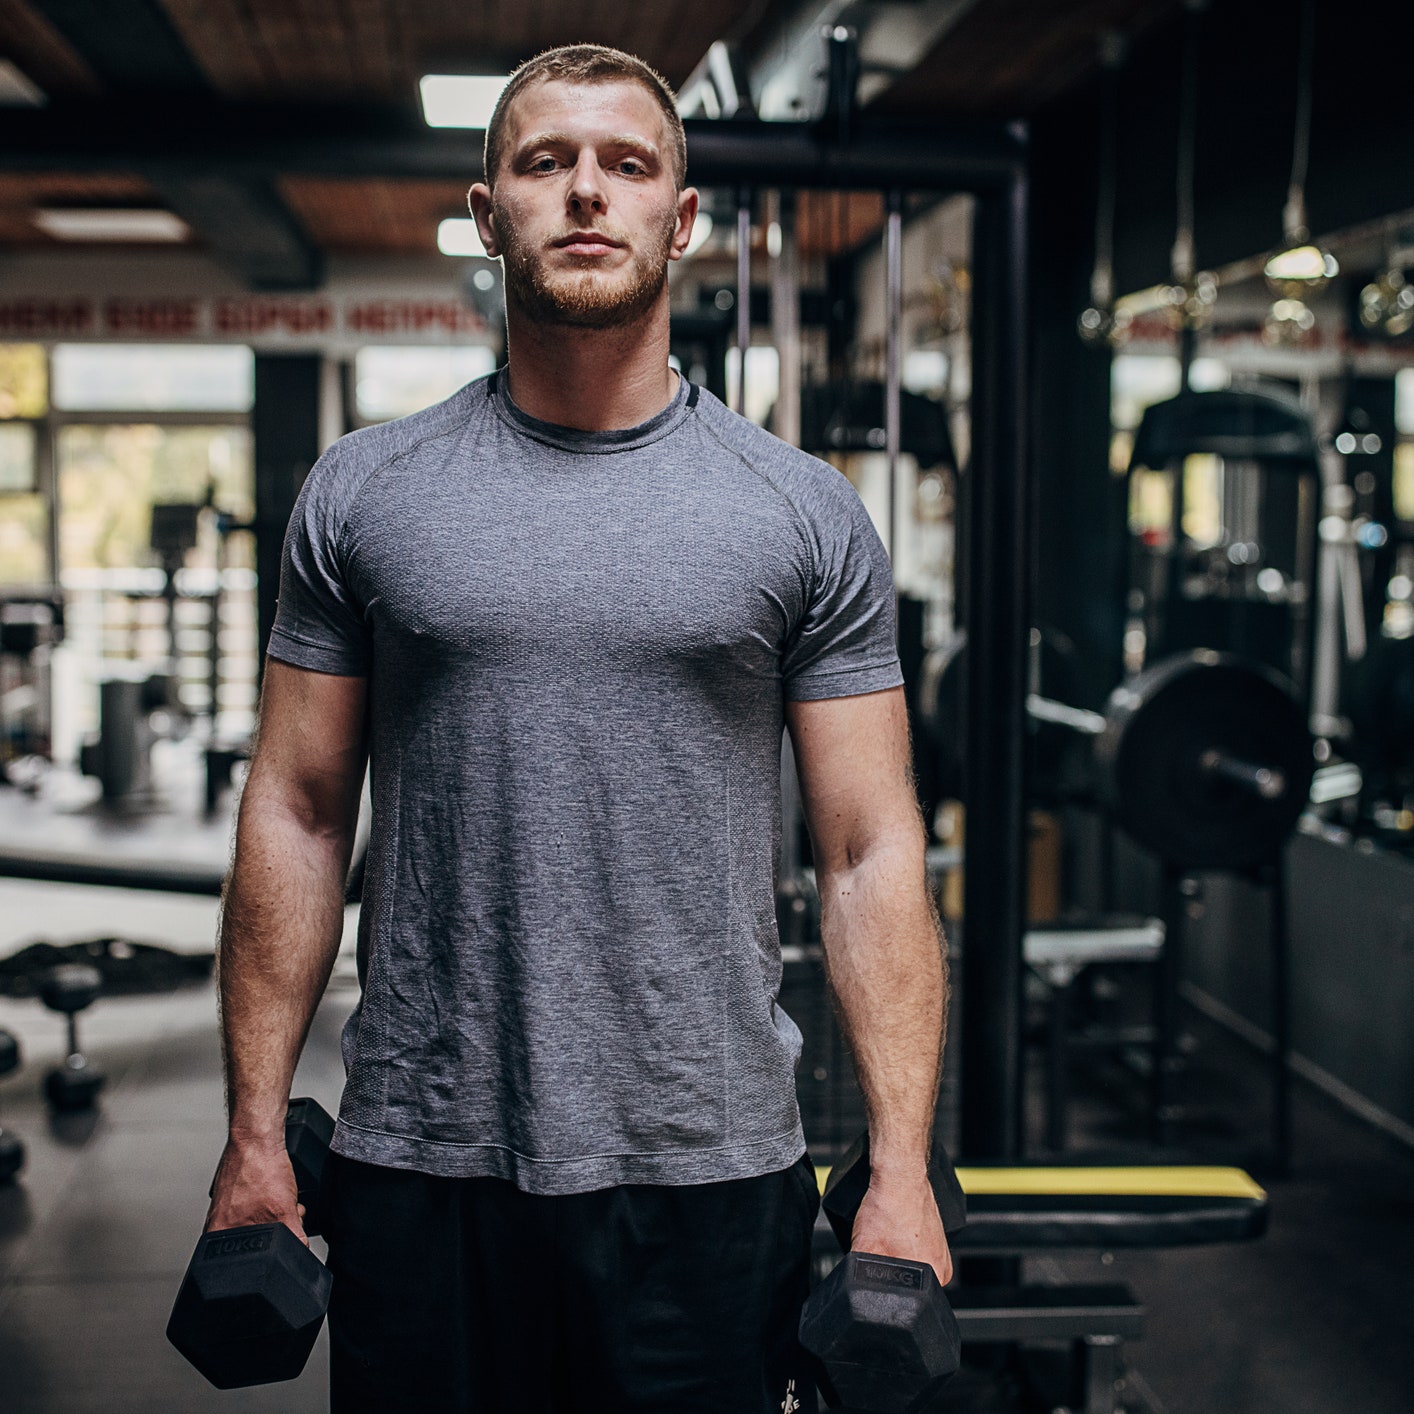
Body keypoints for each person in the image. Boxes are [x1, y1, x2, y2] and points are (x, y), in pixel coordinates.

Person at [206, 42, 950, 1414]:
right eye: (545, 163)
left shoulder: (797, 511)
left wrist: (898, 1165)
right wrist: (256, 1131)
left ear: (681, 220)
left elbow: (868, 845)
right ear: (489, 215)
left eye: (626, 164)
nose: (585, 195)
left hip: (709, 1157)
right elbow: (298, 807)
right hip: (420, 1156)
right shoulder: (368, 493)